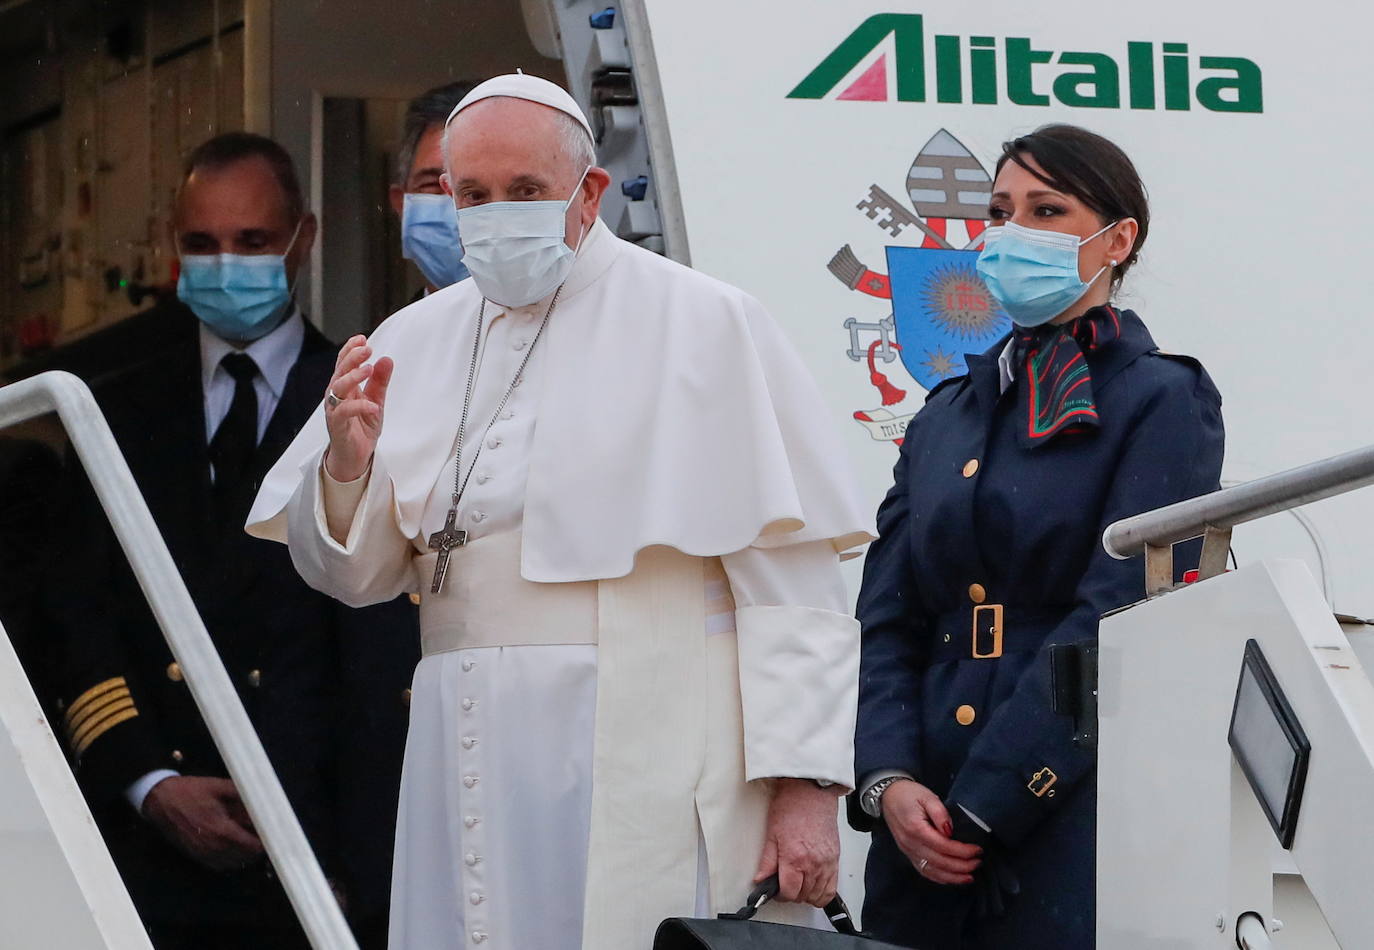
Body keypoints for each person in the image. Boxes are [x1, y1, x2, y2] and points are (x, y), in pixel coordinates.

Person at [248, 74, 873, 950]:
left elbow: (794, 586)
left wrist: (806, 790)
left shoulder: (704, 322)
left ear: (589, 193)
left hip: (642, 735)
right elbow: (351, 578)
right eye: (473, 194)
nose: (496, 213)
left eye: (525, 192)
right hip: (458, 733)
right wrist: (345, 469)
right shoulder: (410, 340)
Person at [851, 124, 1225, 950]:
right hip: (918, 823)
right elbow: (887, 618)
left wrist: (990, 800)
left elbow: (1123, 617)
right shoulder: (945, 415)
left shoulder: (1163, 400)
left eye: (1046, 209)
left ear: (1117, 240)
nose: (1012, 232)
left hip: (1063, 812)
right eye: (999, 211)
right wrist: (889, 782)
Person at [45, 132, 419, 950]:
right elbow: (75, 620)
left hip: (319, 857)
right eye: (202, 244)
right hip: (154, 851)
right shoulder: (111, 414)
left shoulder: (370, 398)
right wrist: (146, 779)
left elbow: (380, 652)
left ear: (303, 240)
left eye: (252, 242)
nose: (227, 265)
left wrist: (357, 857)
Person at [389, 80, 476, 294]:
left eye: (475, 191)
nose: (454, 203)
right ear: (401, 204)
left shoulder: (567, 327)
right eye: (432, 185)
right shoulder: (393, 329)